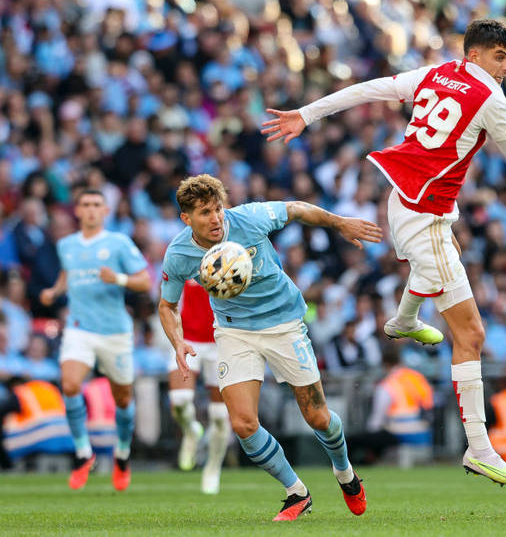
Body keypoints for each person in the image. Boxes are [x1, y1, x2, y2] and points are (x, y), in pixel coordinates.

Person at [261, 18, 506, 488]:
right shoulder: (490, 98)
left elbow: (368, 89)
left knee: (453, 302)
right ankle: (480, 447)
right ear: (474, 55)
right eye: (499, 56)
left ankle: (406, 320)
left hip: (411, 203)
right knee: (470, 333)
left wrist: (306, 114)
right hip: (424, 213)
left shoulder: (434, 73)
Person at [158, 174, 382, 521]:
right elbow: (167, 305)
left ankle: (345, 473)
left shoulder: (250, 218)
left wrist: (340, 223)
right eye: (204, 213)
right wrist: (177, 340)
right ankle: (296, 493)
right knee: (244, 424)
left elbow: (297, 209)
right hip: (234, 333)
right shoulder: (179, 253)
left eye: (217, 209)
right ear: (186, 219)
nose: (215, 218)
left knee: (318, 417)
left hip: (284, 325)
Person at [40, 188, 151, 491]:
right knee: (71, 383)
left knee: (123, 398)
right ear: (77, 211)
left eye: (96, 205)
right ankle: (83, 453)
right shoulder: (66, 245)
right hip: (79, 328)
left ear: (105, 211)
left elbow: (145, 280)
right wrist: (54, 291)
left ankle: (123, 453)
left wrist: (118, 278)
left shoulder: (118, 243)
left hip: (114, 331)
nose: (90, 210)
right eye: (85, 205)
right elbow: (68, 275)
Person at [166, 278, 230, 495]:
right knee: (180, 400)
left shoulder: (230, 254)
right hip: (187, 338)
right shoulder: (184, 252)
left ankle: (213, 468)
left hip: (220, 340)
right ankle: (191, 430)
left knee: (220, 415)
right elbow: (168, 298)